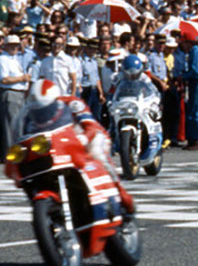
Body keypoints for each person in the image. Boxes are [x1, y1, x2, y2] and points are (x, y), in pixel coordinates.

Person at [17, 79, 135, 216]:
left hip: (86, 137)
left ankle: (121, 192)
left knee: (96, 151)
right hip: (57, 145)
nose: (42, 113)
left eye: (46, 108)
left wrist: (82, 139)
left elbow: (90, 125)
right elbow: (24, 136)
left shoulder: (72, 103)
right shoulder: (30, 112)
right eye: (39, 110)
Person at [0, 34, 30, 155]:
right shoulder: (2, 60)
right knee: (10, 126)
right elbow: (3, 80)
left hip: (19, 93)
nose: (15, 48)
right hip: (10, 93)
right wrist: (21, 78)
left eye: (16, 46)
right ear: (6, 46)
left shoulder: (14, 59)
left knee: (17, 124)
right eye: (12, 46)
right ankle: (11, 153)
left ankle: (16, 151)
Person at [179, 34, 198, 150]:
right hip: (194, 85)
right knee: (191, 111)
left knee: (196, 112)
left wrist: (184, 76)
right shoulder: (193, 52)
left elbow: (196, 71)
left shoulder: (195, 52)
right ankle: (193, 138)